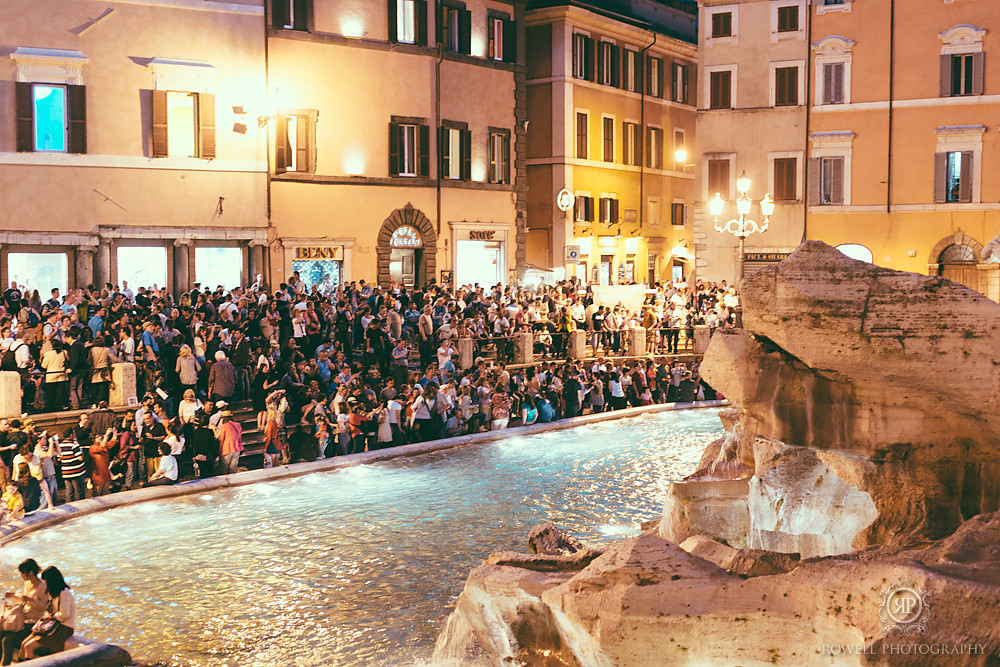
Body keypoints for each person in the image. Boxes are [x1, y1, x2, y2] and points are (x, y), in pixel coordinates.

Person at [19, 566, 74, 660]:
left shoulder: (64, 593)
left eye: (45, 581)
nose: (44, 583)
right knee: (24, 643)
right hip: (53, 625)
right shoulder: (53, 593)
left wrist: (52, 616)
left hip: (63, 627)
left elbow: (65, 615)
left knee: (29, 646)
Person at [1, 559, 48, 666]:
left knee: (7, 640)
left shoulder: (43, 586)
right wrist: (14, 595)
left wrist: (31, 599)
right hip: (22, 620)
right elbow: (23, 598)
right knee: (1, 633)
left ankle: (5, 665)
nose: (21, 575)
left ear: (30, 573)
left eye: (22, 572)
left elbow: (43, 607)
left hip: (33, 623)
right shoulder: (27, 584)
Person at [57, 430, 87, 503]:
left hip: (66, 472)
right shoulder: (74, 445)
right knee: (79, 492)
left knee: (69, 492)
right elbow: (80, 458)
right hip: (76, 472)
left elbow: (59, 458)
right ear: (71, 435)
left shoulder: (60, 446)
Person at [215, 410, 243, 475]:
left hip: (226, 450)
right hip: (237, 448)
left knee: (224, 470)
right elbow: (239, 436)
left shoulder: (224, 426)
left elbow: (222, 439)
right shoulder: (238, 425)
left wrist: (219, 450)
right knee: (233, 469)